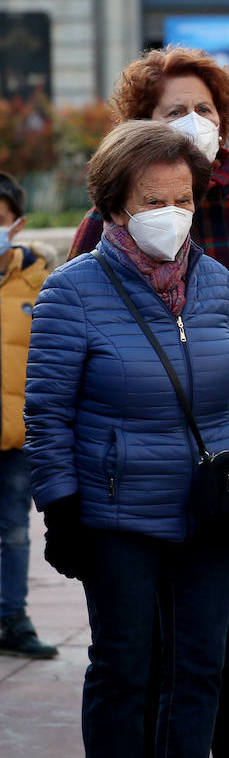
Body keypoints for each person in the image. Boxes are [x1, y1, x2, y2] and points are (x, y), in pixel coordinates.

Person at [66, 46, 229, 753]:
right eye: (174, 110)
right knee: (142, 665)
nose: (193, 122)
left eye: (205, 109)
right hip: (138, 488)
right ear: (140, 125)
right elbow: (73, 361)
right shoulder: (105, 227)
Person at [25, 120, 229, 757]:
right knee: (124, 670)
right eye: (153, 202)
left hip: (207, 508)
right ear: (114, 206)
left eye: (183, 200)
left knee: (200, 670)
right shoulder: (71, 290)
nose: (172, 215)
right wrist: (63, 509)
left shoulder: (213, 280)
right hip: (117, 513)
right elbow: (47, 415)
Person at [0, 173, 57, 660]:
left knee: (16, 531)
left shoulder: (39, 281)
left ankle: (12, 617)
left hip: (18, 435)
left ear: (15, 224)